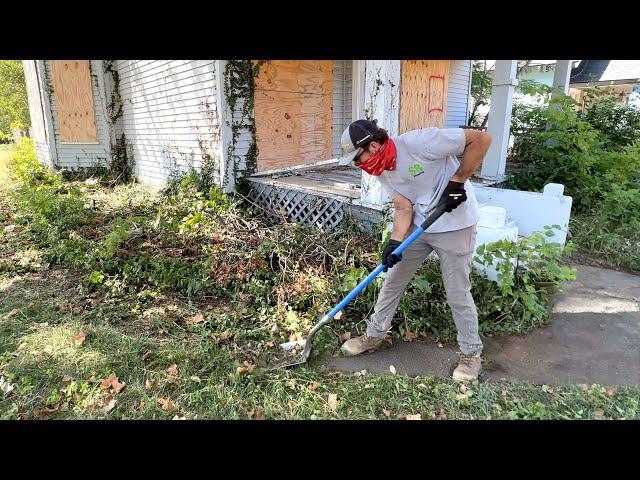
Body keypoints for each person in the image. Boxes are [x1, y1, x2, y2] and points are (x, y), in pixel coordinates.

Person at [336, 119, 492, 382]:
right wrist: (395, 242)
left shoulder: (421, 142)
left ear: (373, 146)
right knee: (392, 280)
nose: (357, 165)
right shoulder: (382, 169)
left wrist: (459, 180)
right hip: (421, 225)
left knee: (457, 292)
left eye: (357, 157)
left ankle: (471, 354)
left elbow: (481, 139)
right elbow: (403, 206)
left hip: (456, 225)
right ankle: (374, 335)